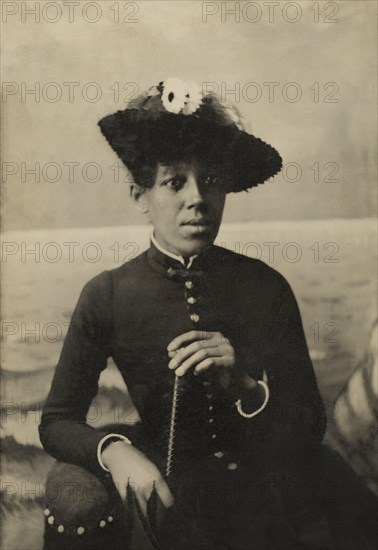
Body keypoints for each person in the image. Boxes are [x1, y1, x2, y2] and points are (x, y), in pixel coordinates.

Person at [39, 78, 335, 550]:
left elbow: (309, 426)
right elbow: (56, 421)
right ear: (141, 197)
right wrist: (116, 453)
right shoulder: (107, 294)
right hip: (168, 494)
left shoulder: (266, 286)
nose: (197, 198)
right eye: (174, 182)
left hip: (262, 496)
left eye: (211, 181)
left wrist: (245, 386)